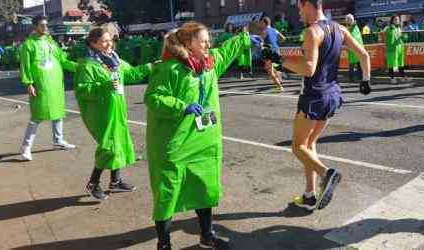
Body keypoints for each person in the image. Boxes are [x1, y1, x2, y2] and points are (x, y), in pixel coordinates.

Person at [145, 22, 253, 249]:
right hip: (174, 143)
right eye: (202, 41)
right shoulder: (169, 69)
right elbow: (153, 98)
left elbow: (226, 51)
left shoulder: (209, 64)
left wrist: (244, 38)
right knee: (167, 192)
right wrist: (181, 106)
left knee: (204, 187)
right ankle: (164, 244)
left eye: (208, 40)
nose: (207, 44)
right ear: (187, 43)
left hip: (204, 141)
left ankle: (207, 235)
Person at [276, 0, 371, 211]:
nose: (299, 13)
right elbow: (364, 54)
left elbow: (308, 69)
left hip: (313, 96)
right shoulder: (339, 28)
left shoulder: (312, 32)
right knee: (310, 144)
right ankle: (309, 195)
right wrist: (365, 80)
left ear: (308, 5)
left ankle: (327, 174)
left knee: (298, 147)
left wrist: (281, 61)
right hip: (332, 95)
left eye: (299, 8)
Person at [74, 28, 152, 200]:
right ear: (93, 43)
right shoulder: (87, 65)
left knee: (118, 143)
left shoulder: (114, 60)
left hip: (117, 109)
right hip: (101, 113)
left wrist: (150, 66)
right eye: (104, 41)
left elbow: (131, 74)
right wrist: (105, 86)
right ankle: (93, 183)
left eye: (110, 40)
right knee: (109, 147)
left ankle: (115, 181)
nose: (109, 44)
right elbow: (82, 91)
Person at [18, 15, 77, 161]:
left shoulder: (51, 42)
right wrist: (29, 83)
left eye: (46, 25)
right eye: (41, 25)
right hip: (40, 84)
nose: (45, 28)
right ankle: (26, 147)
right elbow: (24, 66)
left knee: (58, 112)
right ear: (35, 27)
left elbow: (62, 59)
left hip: (55, 83)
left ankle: (58, 140)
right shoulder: (28, 45)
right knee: (37, 115)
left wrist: (79, 67)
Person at [385, 15, 408, 84]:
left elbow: (401, 37)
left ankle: (403, 77)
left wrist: (404, 37)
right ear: (392, 21)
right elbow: (389, 36)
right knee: (391, 64)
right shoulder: (389, 28)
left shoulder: (399, 28)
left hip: (399, 48)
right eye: (395, 19)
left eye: (398, 19)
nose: (397, 21)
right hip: (392, 49)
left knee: (401, 63)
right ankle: (392, 78)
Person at [343, 14, 364, 82]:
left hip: (359, 48)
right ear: (346, 21)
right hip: (352, 49)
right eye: (348, 20)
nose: (350, 21)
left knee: (359, 64)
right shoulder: (347, 28)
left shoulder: (356, 27)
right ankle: (352, 78)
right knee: (352, 64)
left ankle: (361, 77)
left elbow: (359, 37)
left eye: (351, 19)